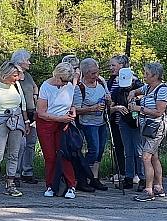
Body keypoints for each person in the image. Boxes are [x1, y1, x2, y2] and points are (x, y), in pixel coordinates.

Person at [0, 61, 28, 198]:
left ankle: (10, 183)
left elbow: (23, 104)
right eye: (15, 75)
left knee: (14, 153)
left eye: (18, 75)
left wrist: (25, 122)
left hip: (16, 119)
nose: (17, 78)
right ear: (6, 74)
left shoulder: (17, 85)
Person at [36, 62, 78, 198]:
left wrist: (73, 111)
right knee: (50, 157)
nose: (64, 84)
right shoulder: (46, 87)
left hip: (63, 123)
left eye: (67, 81)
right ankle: (50, 185)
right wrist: (59, 118)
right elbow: (41, 112)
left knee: (65, 154)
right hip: (46, 124)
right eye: (63, 80)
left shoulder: (69, 85)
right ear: (56, 75)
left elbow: (70, 103)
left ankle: (71, 185)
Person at [129, 62, 167, 202]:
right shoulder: (148, 88)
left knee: (145, 157)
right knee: (154, 157)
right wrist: (132, 93)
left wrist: (138, 109)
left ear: (155, 75)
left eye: (147, 74)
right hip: (146, 126)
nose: (144, 76)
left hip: (155, 128)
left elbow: (159, 112)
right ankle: (159, 187)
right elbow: (136, 91)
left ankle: (148, 190)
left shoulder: (162, 90)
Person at [73, 58, 111, 191]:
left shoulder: (101, 82)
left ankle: (94, 179)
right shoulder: (80, 88)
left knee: (100, 151)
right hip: (88, 123)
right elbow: (75, 109)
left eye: (97, 72)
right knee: (93, 150)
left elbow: (108, 99)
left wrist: (108, 101)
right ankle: (81, 177)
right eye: (93, 73)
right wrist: (92, 109)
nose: (96, 76)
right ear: (85, 73)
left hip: (101, 122)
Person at [108, 56, 145, 190]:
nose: (111, 68)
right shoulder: (117, 84)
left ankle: (142, 178)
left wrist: (135, 97)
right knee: (128, 150)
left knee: (138, 151)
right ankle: (128, 177)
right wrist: (112, 105)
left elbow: (144, 96)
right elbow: (113, 101)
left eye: (113, 65)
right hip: (123, 119)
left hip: (135, 119)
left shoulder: (136, 82)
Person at [11, 49, 39, 184]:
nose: (29, 62)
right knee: (19, 144)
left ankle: (27, 171)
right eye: (27, 60)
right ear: (20, 62)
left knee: (31, 142)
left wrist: (35, 96)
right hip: (18, 113)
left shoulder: (27, 76)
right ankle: (14, 173)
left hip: (31, 111)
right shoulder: (12, 75)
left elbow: (35, 87)